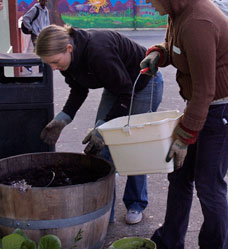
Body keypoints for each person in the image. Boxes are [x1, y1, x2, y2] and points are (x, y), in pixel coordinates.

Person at [138, 0, 228, 249]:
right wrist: (158, 54)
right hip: (207, 104)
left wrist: (185, 136)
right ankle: (171, 240)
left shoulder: (198, 22)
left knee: (208, 181)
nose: (147, 0)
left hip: (226, 108)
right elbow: (174, 47)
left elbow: (205, 90)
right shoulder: (178, 11)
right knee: (180, 174)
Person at [35, 25, 163, 225]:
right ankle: (105, 211)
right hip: (118, 85)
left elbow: (126, 92)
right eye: (49, 63)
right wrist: (63, 118)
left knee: (134, 146)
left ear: (69, 48)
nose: (53, 67)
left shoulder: (98, 51)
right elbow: (79, 89)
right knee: (100, 148)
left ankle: (135, 203)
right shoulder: (66, 61)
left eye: (54, 62)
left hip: (144, 83)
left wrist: (103, 127)